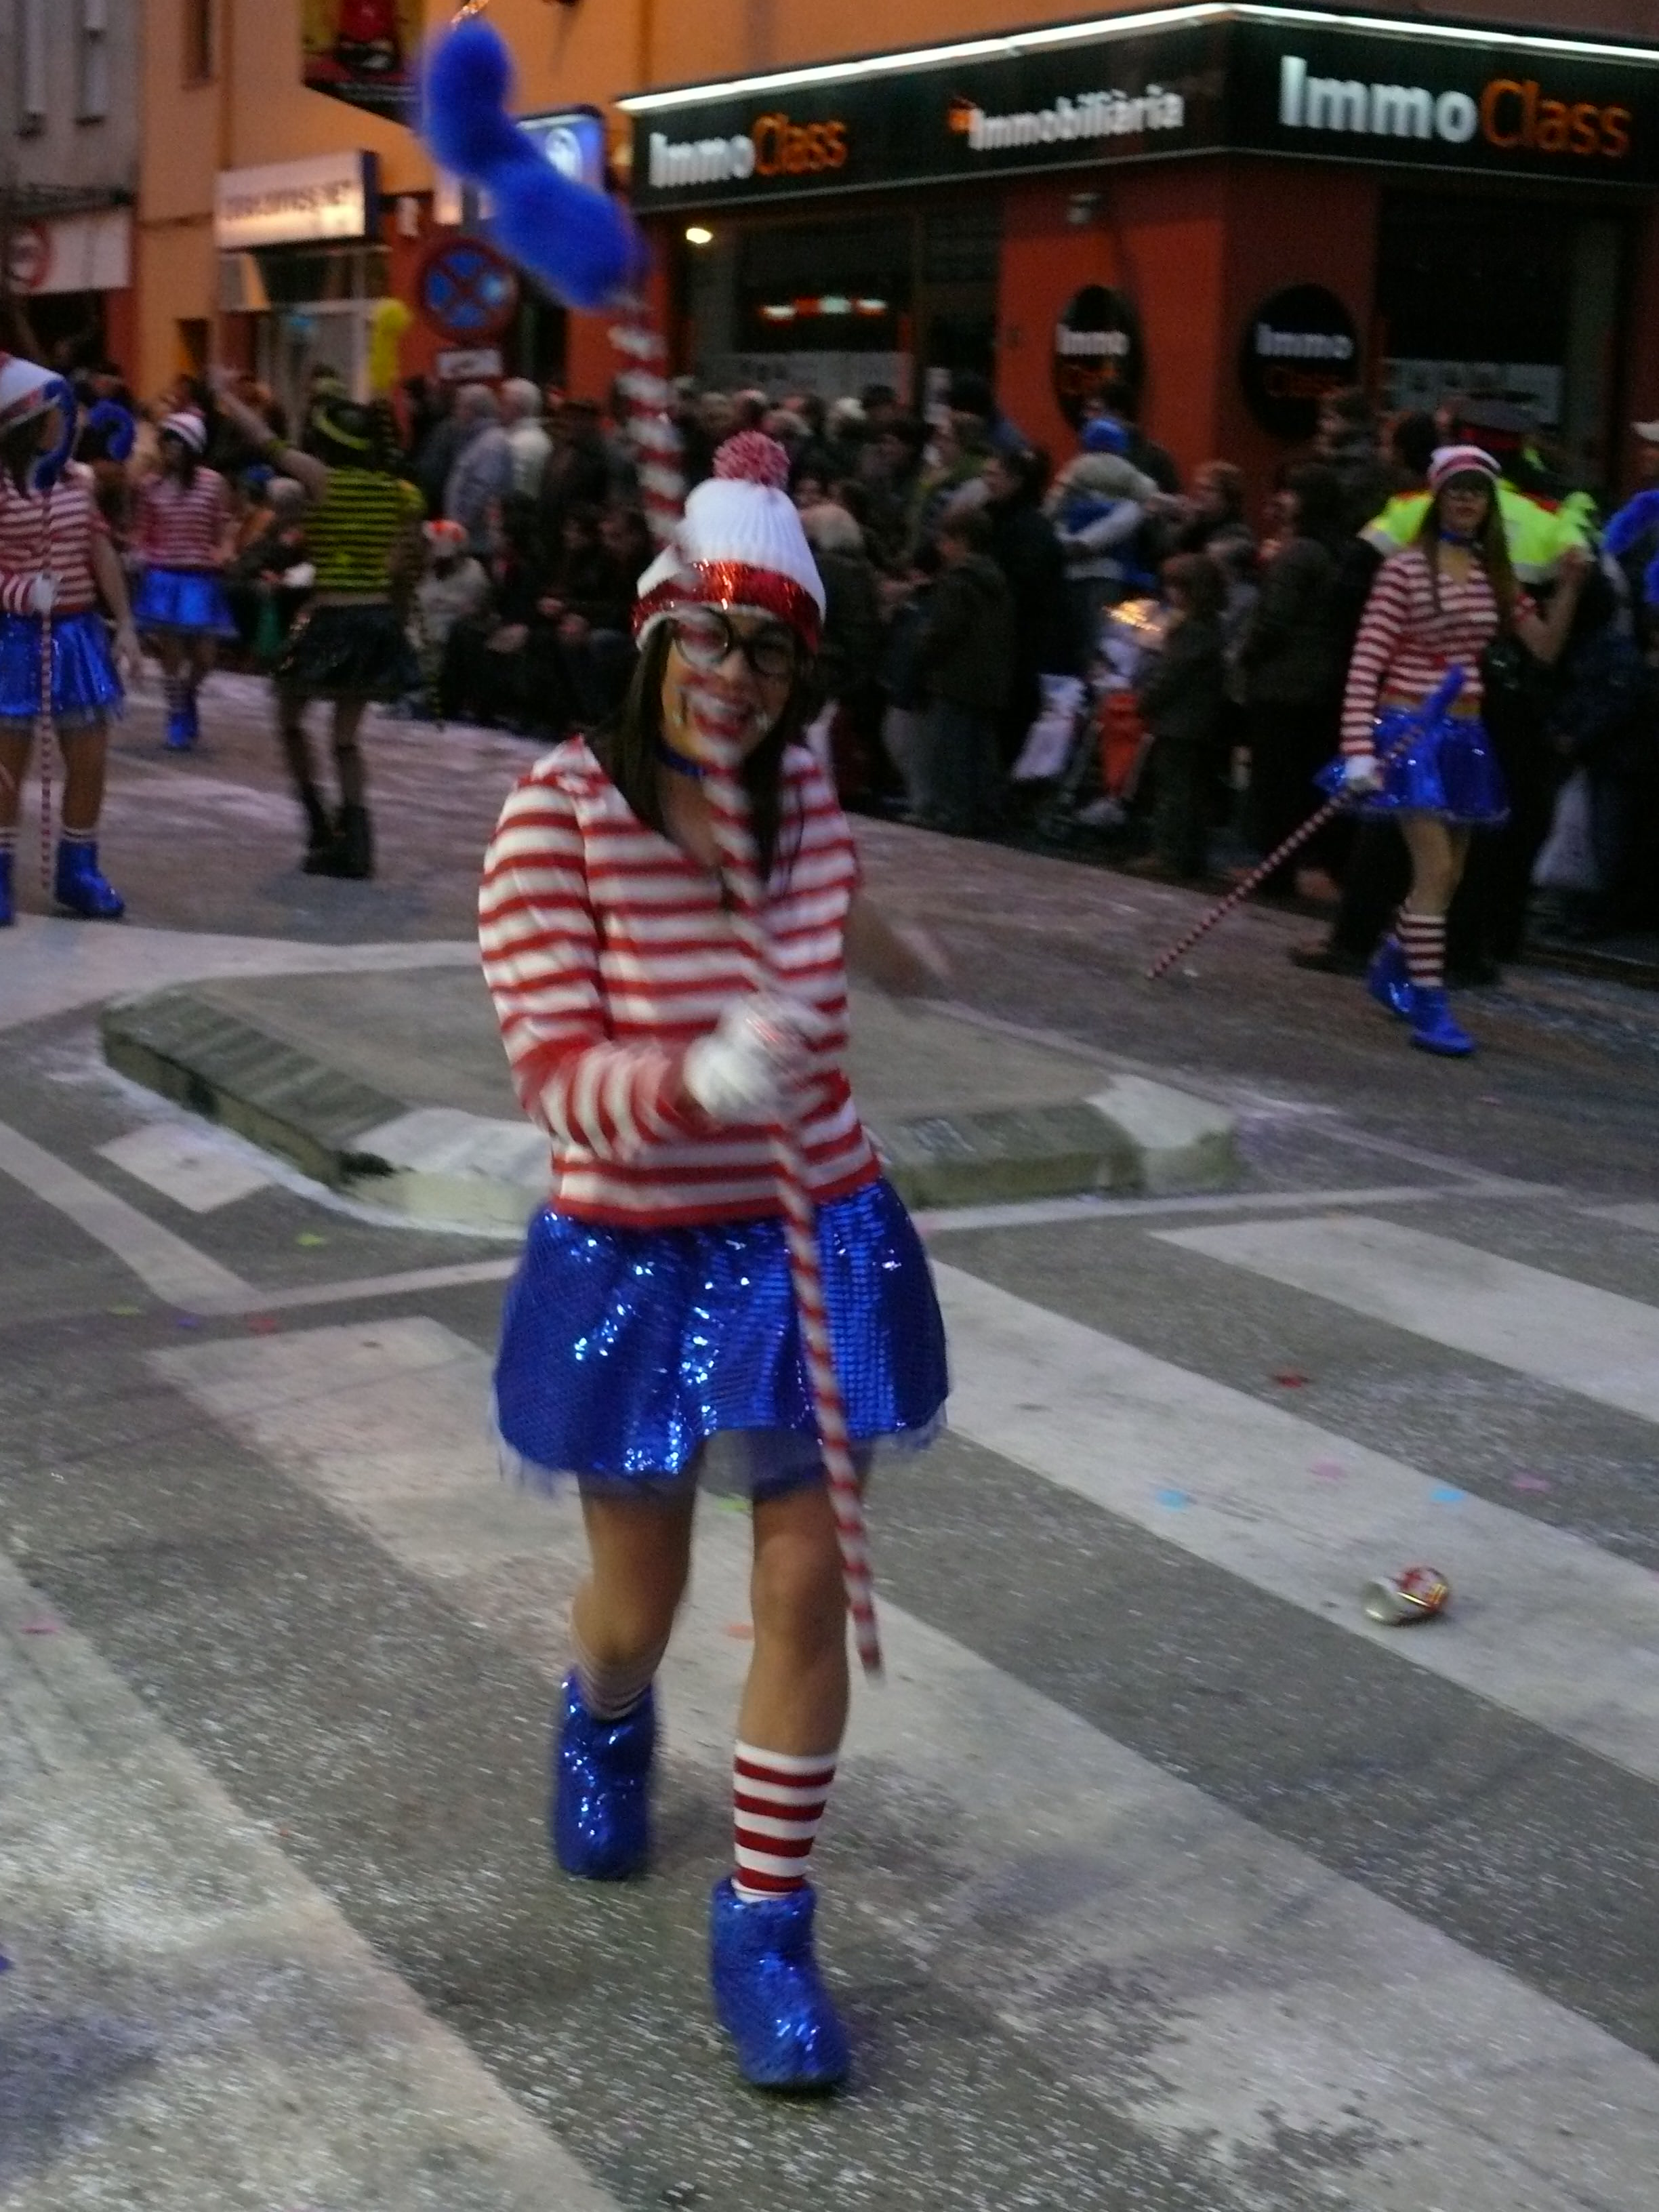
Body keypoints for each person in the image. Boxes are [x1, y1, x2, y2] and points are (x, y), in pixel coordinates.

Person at [478, 429, 949, 2091]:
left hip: (813, 1226)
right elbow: (552, 1072)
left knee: (804, 1581)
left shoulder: (801, 793)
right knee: (641, 1596)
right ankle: (604, 1714)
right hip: (635, 1251)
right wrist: (695, 1077)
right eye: (710, 637)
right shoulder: (553, 816)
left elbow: (834, 911)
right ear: (655, 630)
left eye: (770, 651)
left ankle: (764, 1926)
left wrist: (892, 950)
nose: (734, 678)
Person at [1331, 445, 1586, 1056]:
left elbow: (1543, 647)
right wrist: (1359, 749)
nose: (1467, 501)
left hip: (1466, 735)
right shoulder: (1403, 570)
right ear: (1438, 497)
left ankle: (1394, 965)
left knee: (1451, 876)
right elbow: (1367, 661)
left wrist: (1571, 588)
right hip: (1410, 730)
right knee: (1436, 871)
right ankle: (1430, 1003)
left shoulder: (1491, 573)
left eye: (1477, 492)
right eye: (1457, 490)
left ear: (1489, 505)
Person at [212, 373, 424, 878]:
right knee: (346, 739)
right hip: (376, 619)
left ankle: (318, 826)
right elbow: (405, 568)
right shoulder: (399, 494)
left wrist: (225, 398)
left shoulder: (322, 479)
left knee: (289, 717)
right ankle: (358, 844)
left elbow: (265, 441)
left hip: (333, 619)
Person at [0, 351, 139, 924]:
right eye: (61, 408)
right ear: (30, 417)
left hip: (78, 634)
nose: (73, 418)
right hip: (13, 638)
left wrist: (125, 623)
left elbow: (99, 549)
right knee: (7, 762)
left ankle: (78, 870)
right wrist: (19, 593)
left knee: (90, 757)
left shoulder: (79, 484)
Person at [1237, 462, 1349, 893]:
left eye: (1290, 492)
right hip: (1319, 681)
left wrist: (1247, 655)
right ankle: (1301, 864)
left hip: (1282, 680)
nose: (1281, 500)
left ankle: (1273, 870)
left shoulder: (1298, 553)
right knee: (1303, 779)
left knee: (1274, 780)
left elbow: (1275, 621)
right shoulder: (1335, 551)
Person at [131, 409, 237, 750]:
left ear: (192, 447)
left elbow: (224, 526)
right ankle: (176, 712)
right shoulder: (150, 486)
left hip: (201, 577)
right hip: (164, 575)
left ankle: (189, 693)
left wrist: (224, 550)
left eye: (178, 443)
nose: (171, 450)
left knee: (206, 656)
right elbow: (143, 531)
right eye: (167, 443)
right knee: (172, 654)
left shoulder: (213, 483)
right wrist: (139, 553)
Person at [912, 502, 1015, 834]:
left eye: (945, 540)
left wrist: (923, 647)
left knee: (951, 749)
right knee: (980, 751)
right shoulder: (997, 580)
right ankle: (984, 813)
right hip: (988, 680)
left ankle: (951, 813)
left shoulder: (958, 581)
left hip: (956, 677)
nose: (941, 548)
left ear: (962, 541)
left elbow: (944, 630)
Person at [1132, 552, 1227, 881]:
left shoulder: (1191, 631)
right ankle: (1189, 856)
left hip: (1181, 722)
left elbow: (1171, 674)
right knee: (1192, 792)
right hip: (1197, 722)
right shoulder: (1210, 627)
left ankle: (1169, 854)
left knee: (1175, 792)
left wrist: (1145, 701)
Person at [501, 377, 552, 500]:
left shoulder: (518, 444)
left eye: (503, 403)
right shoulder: (539, 436)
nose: (499, 409)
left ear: (516, 408)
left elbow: (512, 490)